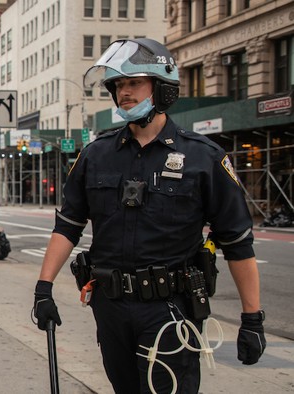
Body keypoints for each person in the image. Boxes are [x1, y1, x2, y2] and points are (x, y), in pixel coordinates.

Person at [32, 38, 265, 393]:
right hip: (110, 308)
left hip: (169, 309)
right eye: (118, 85)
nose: (124, 92)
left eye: (133, 83)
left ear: (162, 88)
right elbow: (68, 225)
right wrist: (43, 288)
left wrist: (252, 318)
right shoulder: (96, 155)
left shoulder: (204, 157)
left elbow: (237, 242)